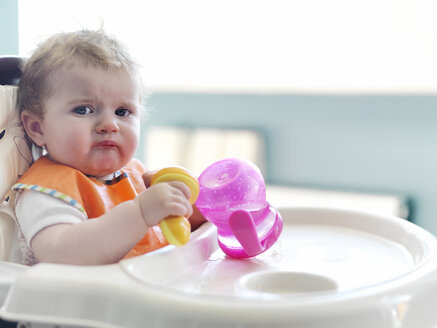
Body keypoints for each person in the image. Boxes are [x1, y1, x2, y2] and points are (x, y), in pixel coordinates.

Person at [12, 29, 204, 265]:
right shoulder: (46, 190)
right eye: (83, 109)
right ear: (37, 128)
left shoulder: (134, 174)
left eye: (122, 112)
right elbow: (60, 252)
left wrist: (193, 209)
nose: (109, 125)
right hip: (84, 300)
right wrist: (140, 213)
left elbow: (167, 233)